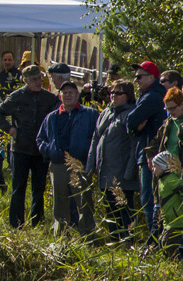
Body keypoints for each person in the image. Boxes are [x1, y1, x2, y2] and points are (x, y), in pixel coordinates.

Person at [0, 68, 61, 229]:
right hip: (20, 149)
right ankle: (16, 223)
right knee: (19, 187)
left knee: (39, 188)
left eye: (39, 78)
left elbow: (61, 114)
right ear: (25, 81)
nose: (38, 82)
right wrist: (10, 129)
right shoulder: (17, 97)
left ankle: (37, 222)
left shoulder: (49, 98)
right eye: (34, 80)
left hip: (40, 150)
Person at [37, 80, 98, 234]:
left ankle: (87, 235)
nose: (68, 95)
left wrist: (91, 159)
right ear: (60, 96)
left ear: (77, 95)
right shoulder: (51, 117)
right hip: (58, 165)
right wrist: (50, 151)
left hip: (80, 164)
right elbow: (40, 139)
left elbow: (98, 137)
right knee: (60, 202)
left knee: (84, 202)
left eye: (71, 92)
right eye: (65, 93)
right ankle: (61, 235)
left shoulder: (90, 114)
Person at [88, 80, 146, 237]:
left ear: (128, 95)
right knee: (110, 211)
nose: (113, 95)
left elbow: (134, 145)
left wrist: (129, 172)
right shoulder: (106, 112)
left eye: (118, 93)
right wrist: (91, 165)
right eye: (112, 92)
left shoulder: (131, 115)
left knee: (125, 211)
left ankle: (128, 241)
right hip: (105, 171)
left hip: (122, 173)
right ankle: (114, 241)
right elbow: (95, 138)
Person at [127, 60, 167, 235]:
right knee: (151, 199)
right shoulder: (148, 95)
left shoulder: (152, 97)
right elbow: (132, 126)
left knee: (149, 199)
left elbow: (130, 121)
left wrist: (137, 126)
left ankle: (155, 238)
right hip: (150, 153)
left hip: (151, 156)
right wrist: (136, 126)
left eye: (139, 77)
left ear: (151, 77)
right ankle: (156, 238)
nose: (136, 80)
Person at [151, 88, 183, 254]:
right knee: (163, 208)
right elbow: (157, 143)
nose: (170, 112)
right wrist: (150, 156)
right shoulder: (168, 123)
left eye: (173, 108)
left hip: (179, 173)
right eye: (167, 109)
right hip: (165, 172)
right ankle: (159, 244)